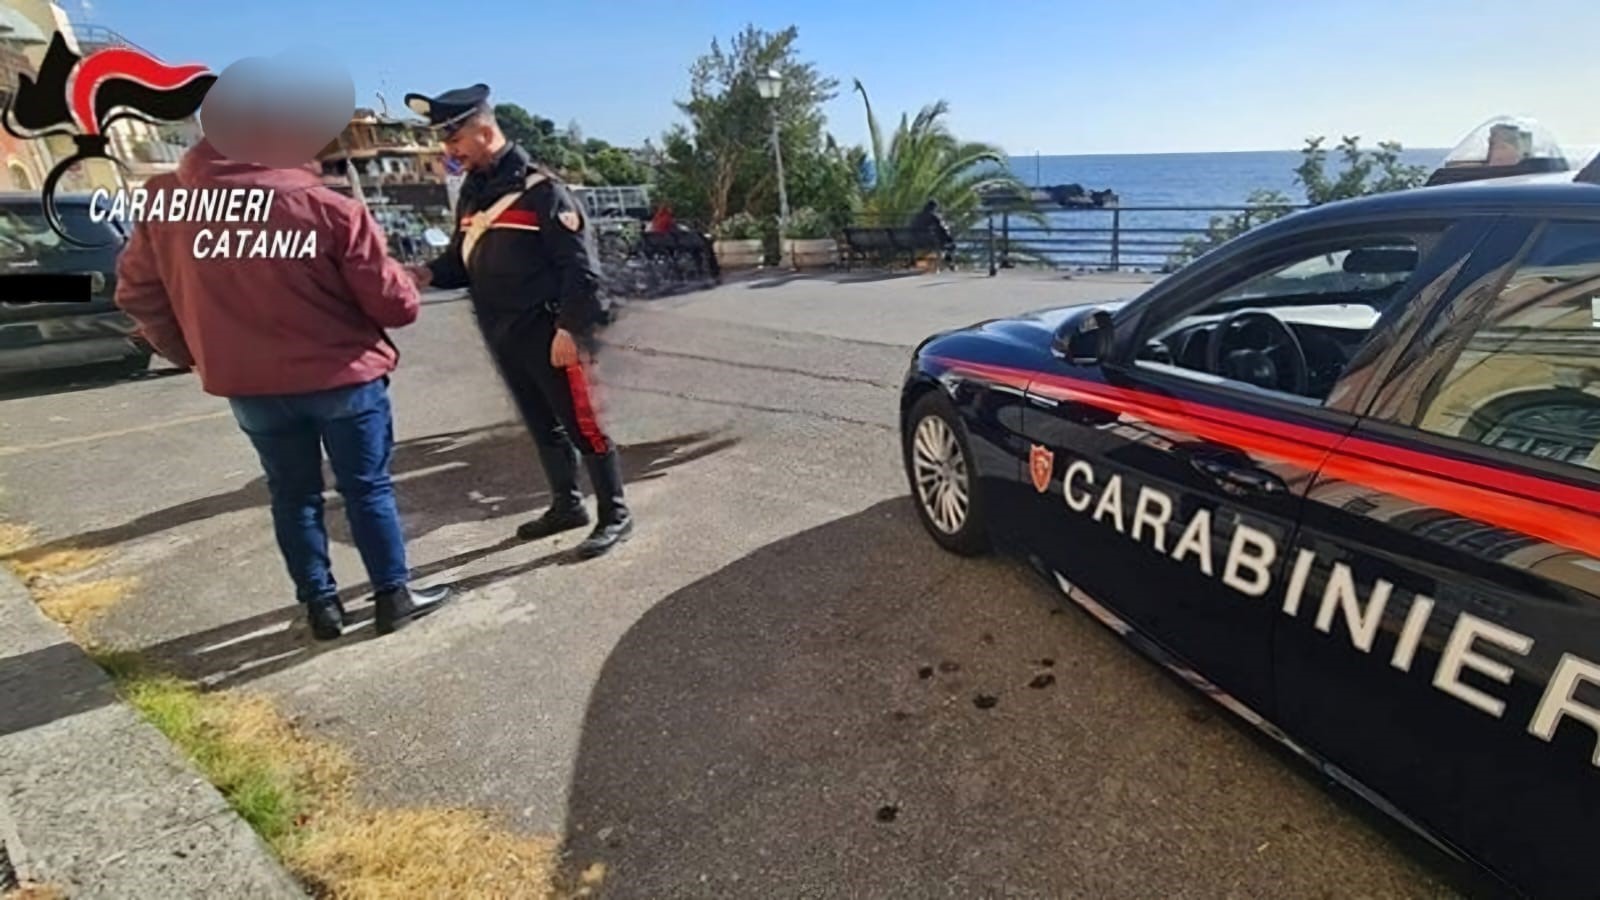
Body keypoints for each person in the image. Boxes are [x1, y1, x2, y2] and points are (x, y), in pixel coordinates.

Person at [114, 127, 452, 641]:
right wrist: (402, 278)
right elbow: (395, 307)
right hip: (344, 378)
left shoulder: (165, 204)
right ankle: (393, 595)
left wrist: (190, 353)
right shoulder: (328, 207)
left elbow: (138, 293)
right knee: (366, 488)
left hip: (250, 387)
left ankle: (321, 608)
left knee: (292, 495)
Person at [402, 83, 632, 558]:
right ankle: (567, 504)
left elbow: (580, 270)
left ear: (482, 130)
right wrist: (425, 273)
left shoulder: (542, 191)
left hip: (550, 332)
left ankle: (615, 513)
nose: (450, 152)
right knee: (538, 422)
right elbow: (460, 260)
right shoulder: (474, 193)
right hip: (502, 331)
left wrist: (571, 328)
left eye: (453, 141)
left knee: (580, 422)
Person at [909, 199, 955, 269]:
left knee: (940, 244)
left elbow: (912, 226)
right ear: (934, 207)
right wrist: (949, 237)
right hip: (927, 239)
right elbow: (941, 227)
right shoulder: (932, 215)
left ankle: (921, 264)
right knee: (948, 244)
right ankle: (949, 262)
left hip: (915, 238)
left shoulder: (918, 215)